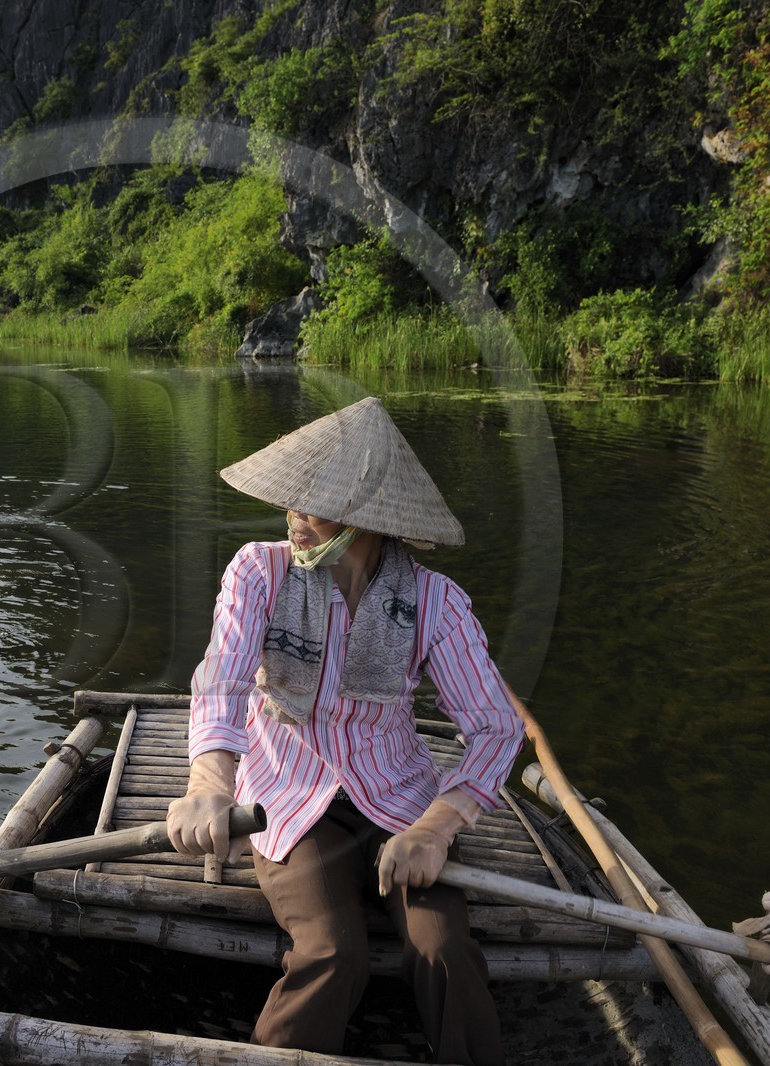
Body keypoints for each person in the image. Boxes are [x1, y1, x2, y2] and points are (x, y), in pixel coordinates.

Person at [167, 396, 523, 1065]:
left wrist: (434, 829)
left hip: (400, 801)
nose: (296, 517)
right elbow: (223, 679)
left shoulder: (434, 601)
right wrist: (209, 781)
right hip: (290, 798)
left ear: (368, 520)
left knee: (446, 951)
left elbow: (496, 729)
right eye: (293, 501)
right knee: (332, 953)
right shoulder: (260, 571)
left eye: (317, 504)